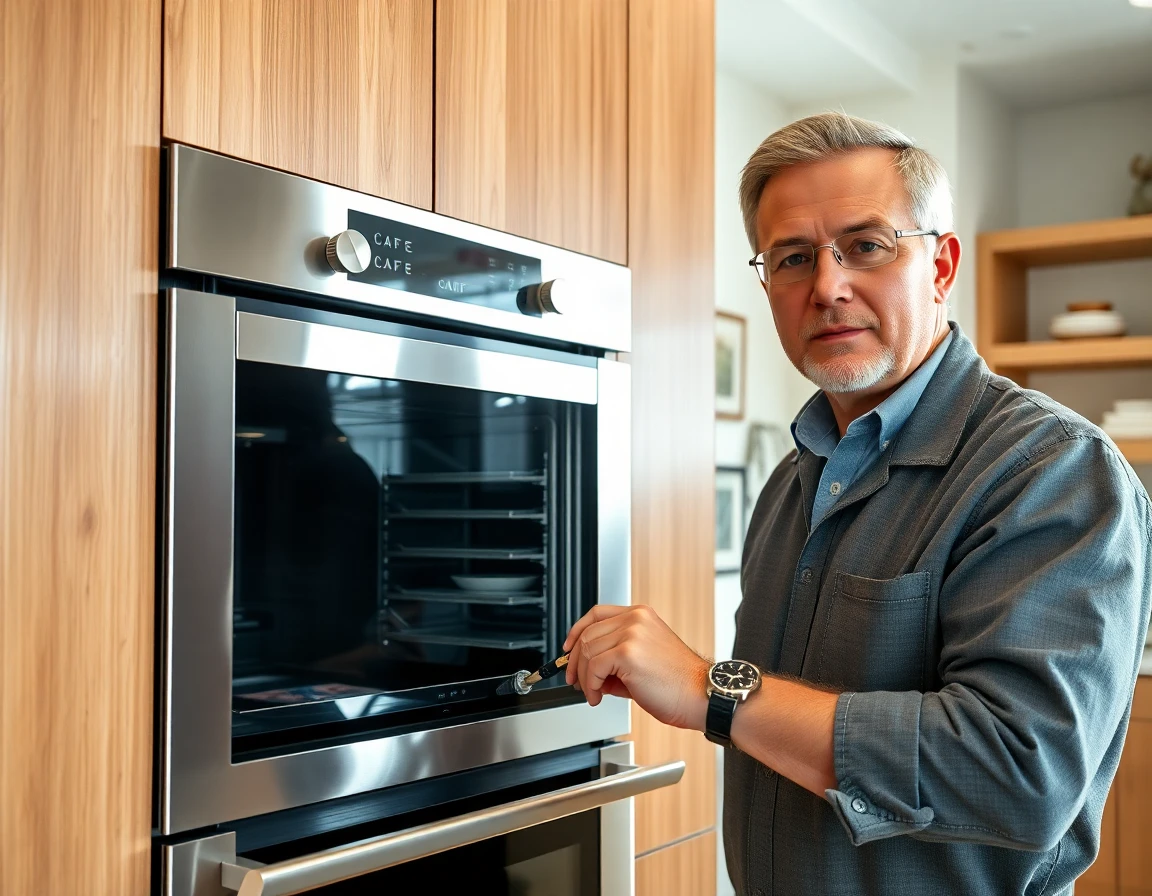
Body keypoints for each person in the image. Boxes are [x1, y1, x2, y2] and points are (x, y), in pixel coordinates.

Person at [561, 113, 1152, 895]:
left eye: (867, 246)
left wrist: (712, 689)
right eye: (793, 257)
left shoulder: (1051, 467)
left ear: (940, 266)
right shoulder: (791, 481)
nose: (828, 286)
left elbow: (1020, 772)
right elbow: (783, 730)